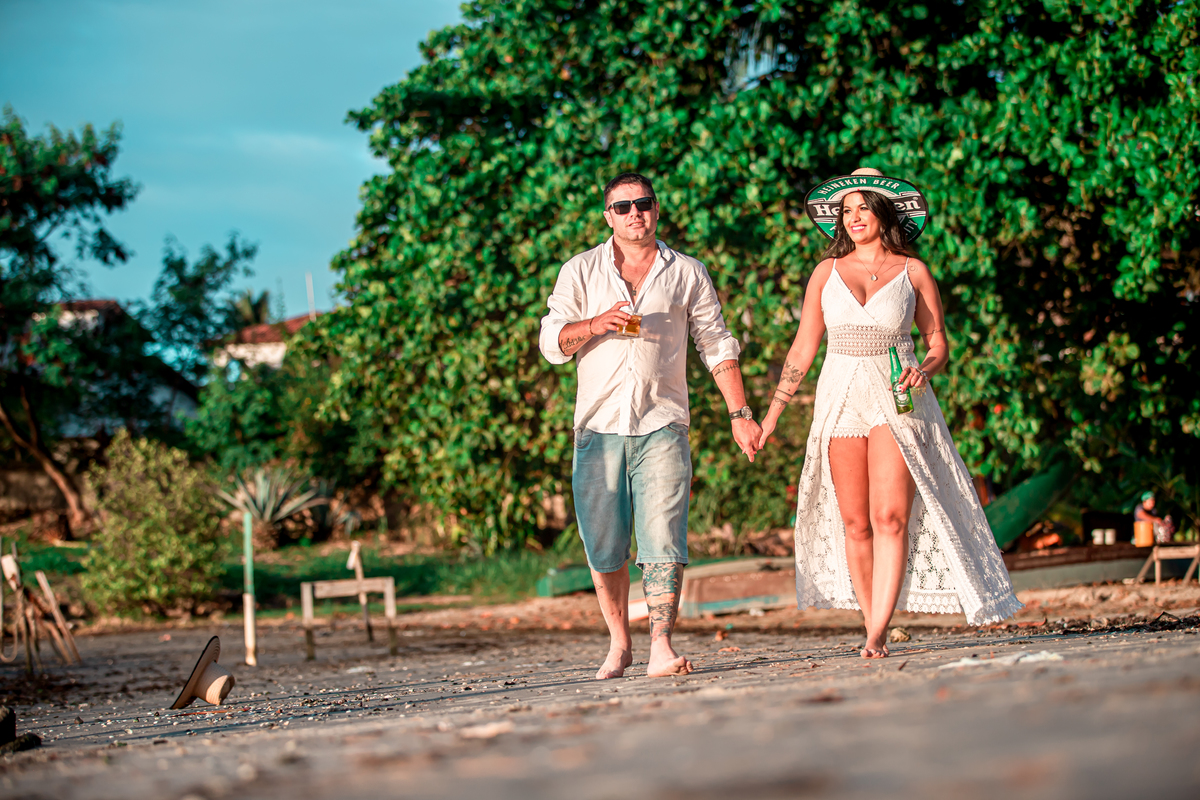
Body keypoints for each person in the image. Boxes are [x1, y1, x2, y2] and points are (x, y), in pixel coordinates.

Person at [757, 167, 1022, 658]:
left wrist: (926, 368)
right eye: (846, 211)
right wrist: (771, 417)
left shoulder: (913, 271)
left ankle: (878, 631)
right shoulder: (825, 273)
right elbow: (801, 351)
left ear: (884, 212)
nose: (853, 218)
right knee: (855, 522)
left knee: (890, 516)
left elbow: (938, 342)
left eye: (863, 208)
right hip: (839, 394)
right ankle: (869, 620)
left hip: (896, 392)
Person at [539, 172, 762, 679]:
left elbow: (717, 344)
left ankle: (661, 643)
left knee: (663, 536)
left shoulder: (686, 272)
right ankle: (620, 644)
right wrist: (595, 324)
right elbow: (551, 342)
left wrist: (740, 414)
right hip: (597, 425)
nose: (634, 213)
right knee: (605, 542)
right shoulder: (580, 271)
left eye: (643, 204)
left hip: (663, 421)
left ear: (657, 210)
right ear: (608, 216)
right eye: (623, 207)